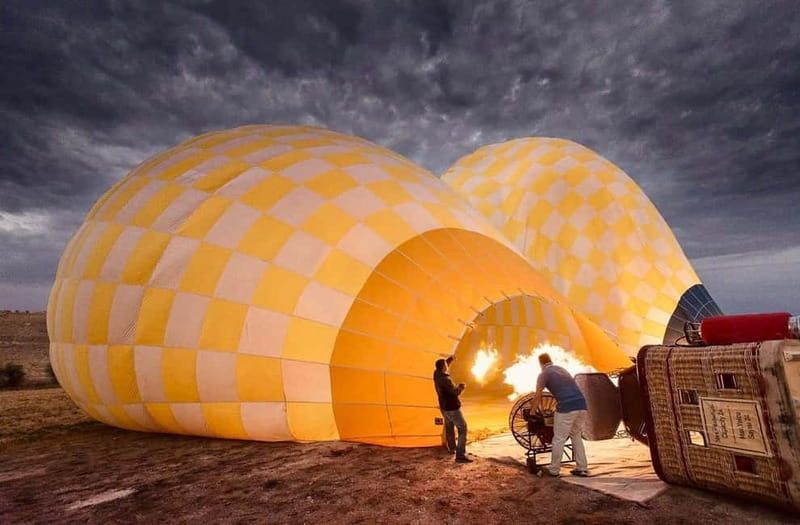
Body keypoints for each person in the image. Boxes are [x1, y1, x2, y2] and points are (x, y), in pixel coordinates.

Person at [531, 353, 589, 477]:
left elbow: (537, 396)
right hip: (582, 405)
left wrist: (532, 413)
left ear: (540, 364)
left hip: (567, 408)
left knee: (558, 439)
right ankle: (582, 468)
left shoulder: (543, 374)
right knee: (576, 435)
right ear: (550, 361)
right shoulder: (561, 369)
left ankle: (554, 470)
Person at [433, 355, 472, 463]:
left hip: (444, 407)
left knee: (449, 427)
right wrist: (461, 387)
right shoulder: (446, 380)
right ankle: (460, 455)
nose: (447, 366)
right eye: (446, 365)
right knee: (462, 428)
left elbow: (443, 366)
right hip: (452, 408)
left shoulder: (436, 374)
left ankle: (451, 448)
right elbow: (455, 392)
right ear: (443, 367)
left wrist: (450, 359)